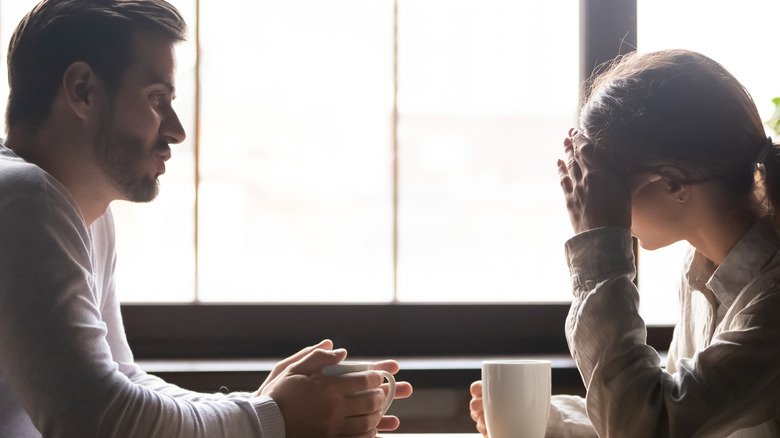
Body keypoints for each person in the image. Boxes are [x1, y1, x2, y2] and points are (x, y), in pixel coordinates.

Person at [0, 0, 411, 437]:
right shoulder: (25, 197)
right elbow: (95, 418)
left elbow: (121, 381)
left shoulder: (80, 211)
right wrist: (274, 418)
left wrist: (264, 405)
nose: (176, 129)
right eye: (157, 99)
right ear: (83, 90)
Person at [469, 49, 780, 437]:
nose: (592, 198)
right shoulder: (702, 269)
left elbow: (645, 425)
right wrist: (544, 418)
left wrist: (598, 247)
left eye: (604, 182)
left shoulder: (772, 302)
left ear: (672, 183)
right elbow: (671, 411)